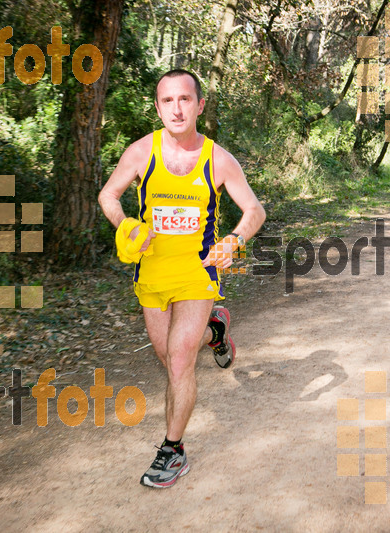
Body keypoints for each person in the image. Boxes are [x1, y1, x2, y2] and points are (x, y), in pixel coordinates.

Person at [98, 69, 266, 489]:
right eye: (167, 101)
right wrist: (125, 226)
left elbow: (254, 212)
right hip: (151, 275)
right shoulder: (141, 152)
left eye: (185, 100)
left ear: (199, 105)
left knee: (178, 360)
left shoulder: (218, 160)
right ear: (157, 107)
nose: (176, 108)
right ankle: (215, 331)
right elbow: (108, 195)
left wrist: (233, 241)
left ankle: (172, 451)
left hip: (197, 273)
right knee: (169, 359)